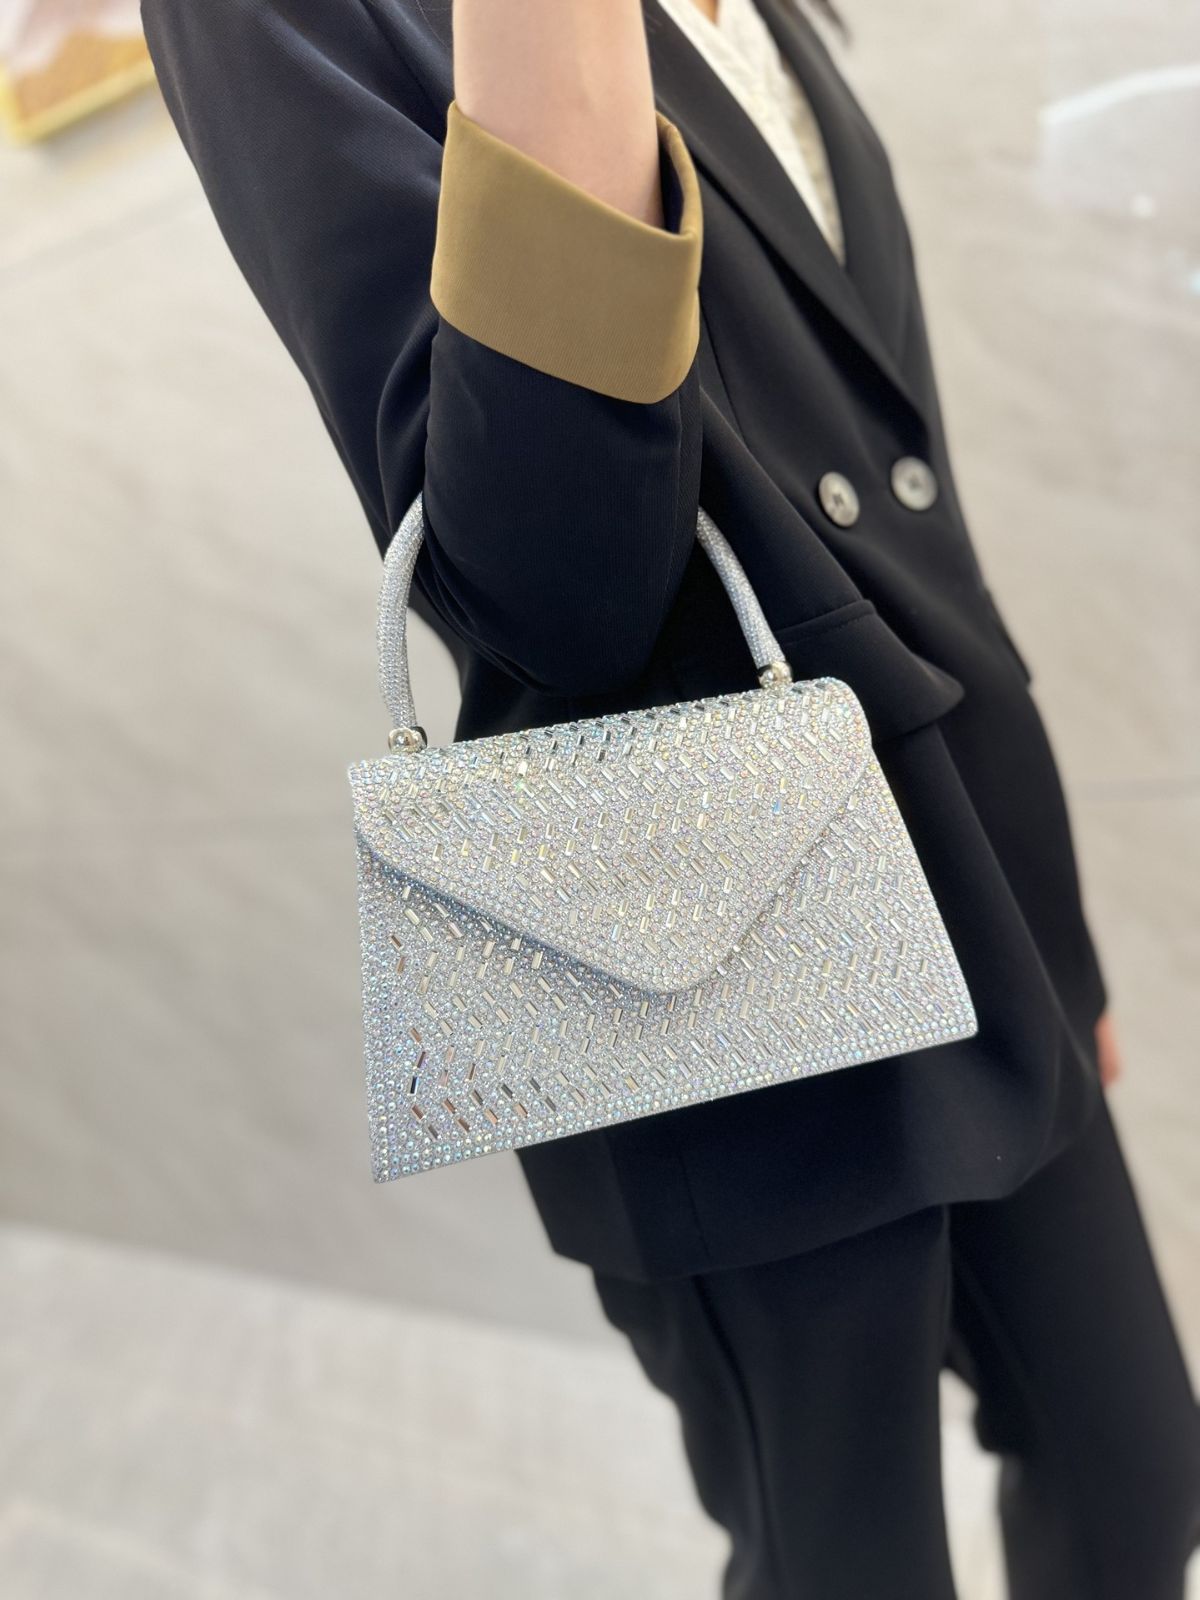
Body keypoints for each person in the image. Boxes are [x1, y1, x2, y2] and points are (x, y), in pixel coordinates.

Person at [140, 0, 1200, 1592]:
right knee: (846, 1564)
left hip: (973, 881)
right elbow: (557, 582)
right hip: (696, 956)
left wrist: (1062, 942)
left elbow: (900, 493)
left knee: (1138, 1473)